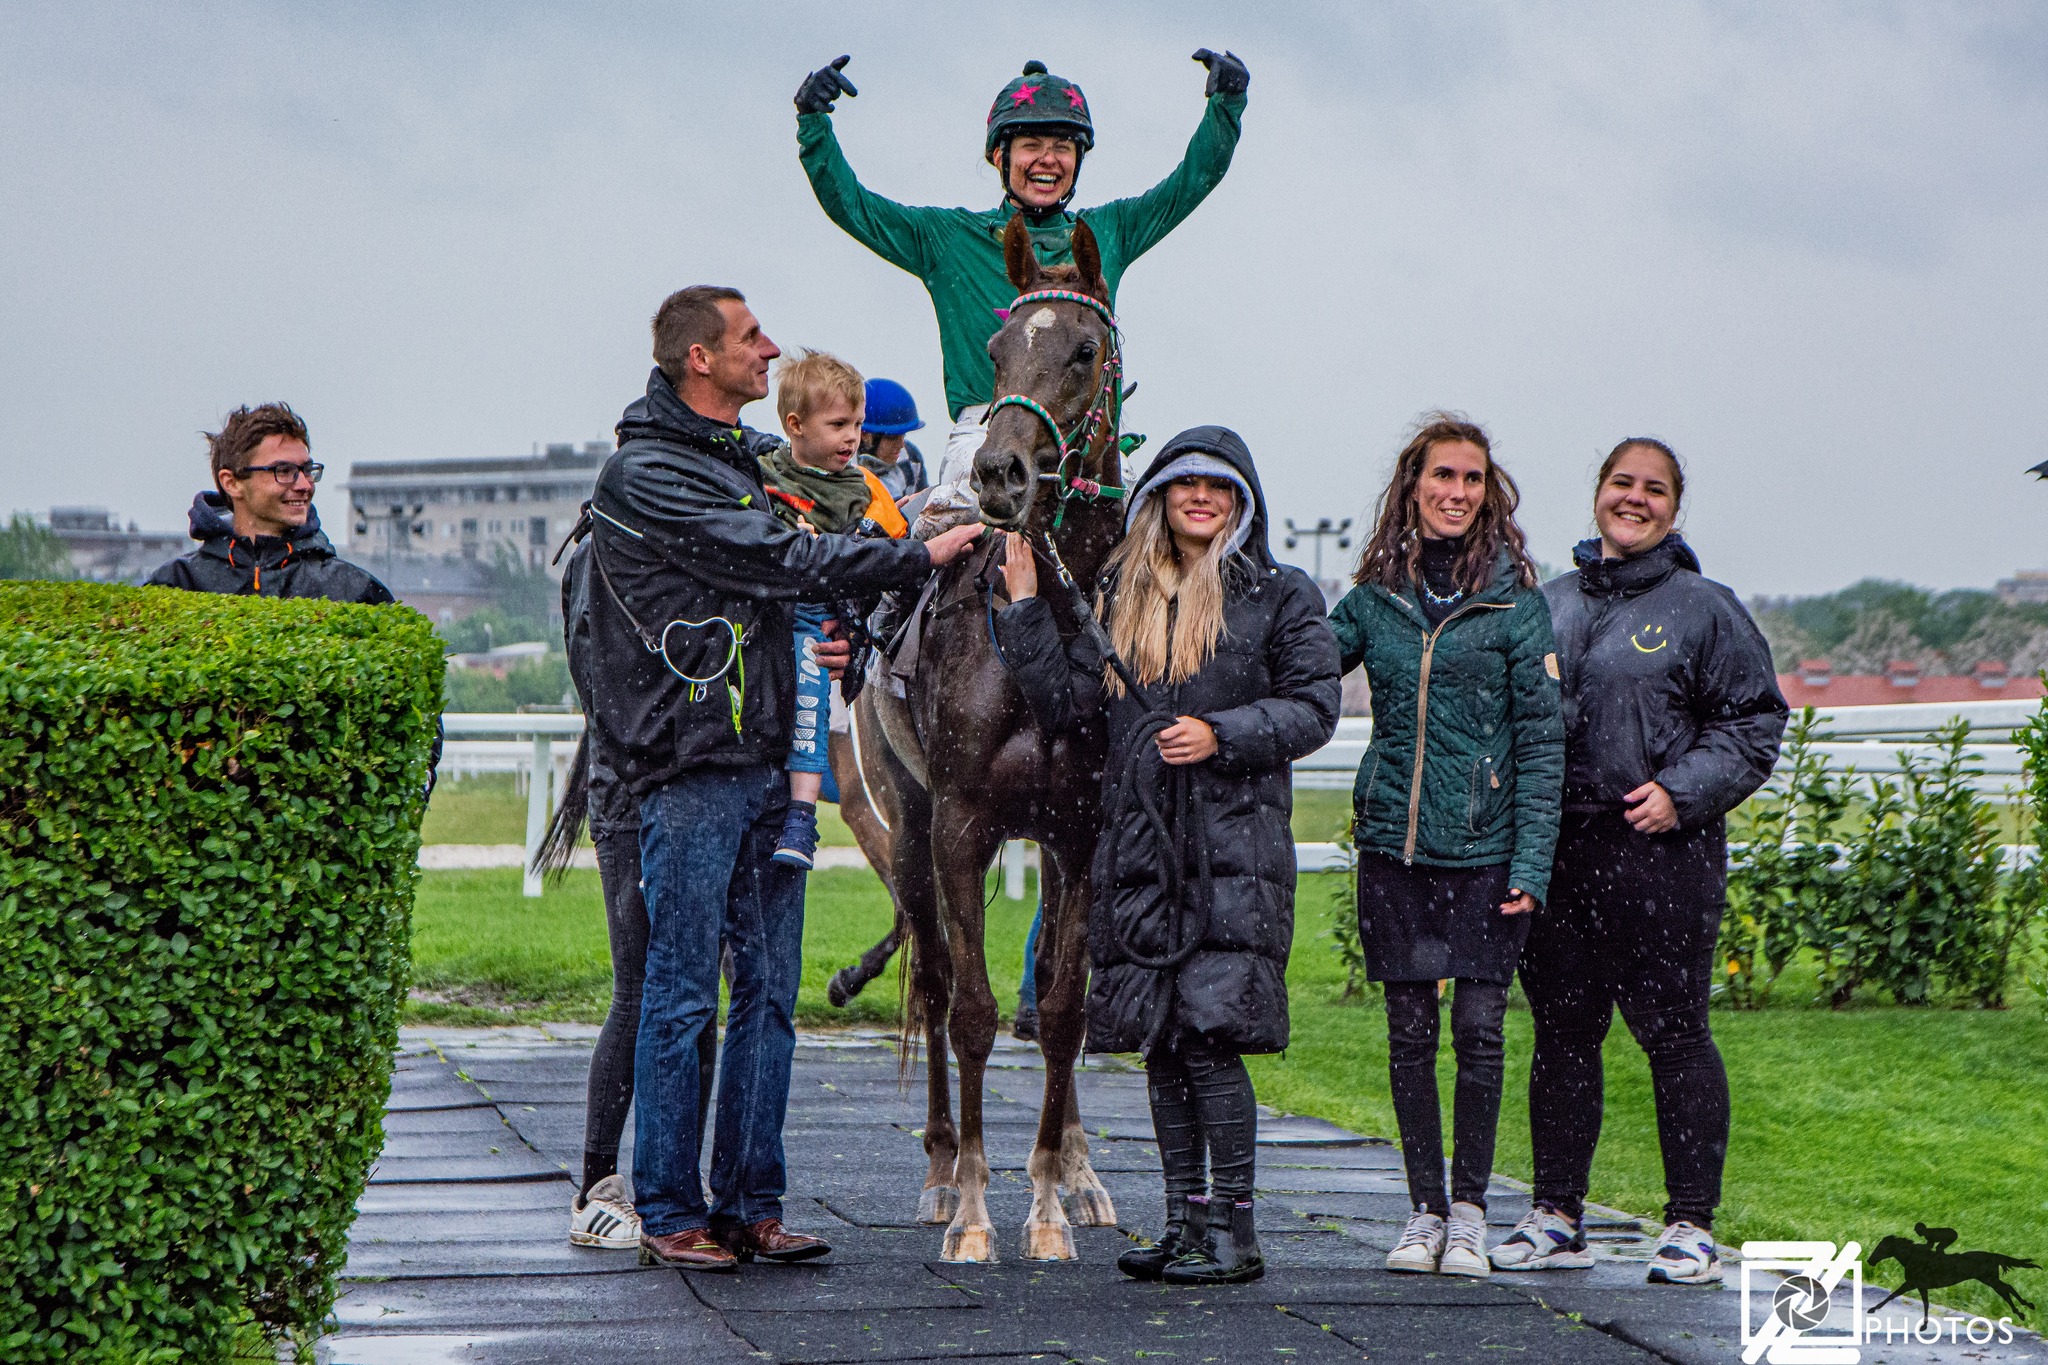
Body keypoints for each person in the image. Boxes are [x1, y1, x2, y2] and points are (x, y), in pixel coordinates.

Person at [571, 285, 984, 1272]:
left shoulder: (737, 463)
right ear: (698, 361)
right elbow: (775, 556)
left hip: (766, 766)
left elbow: (779, 583)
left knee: (769, 995)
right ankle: (669, 1211)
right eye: (750, 338)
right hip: (689, 769)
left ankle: (753, 1204)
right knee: (680, 997)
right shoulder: (650, 473)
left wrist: (836, 646)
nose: (769, 350)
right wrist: (911, 555)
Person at [993, 427, 1341, 1286]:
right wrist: (1030, 611)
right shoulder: (1118, 594)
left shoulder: (1280, 595)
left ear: (1241, 502)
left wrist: (1221, 734)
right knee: (1160, 1041)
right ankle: (1186, 1223)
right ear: (1158, 496)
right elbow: (1074, 703)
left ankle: (1235, 1230)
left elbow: (1313, 707)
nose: (1200, 497)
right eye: (1184, 483)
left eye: (1218, 488)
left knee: (1210, 1037)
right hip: (1140, 848)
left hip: (1232, 849)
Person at [1490, 439, 1785, 1285]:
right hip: (1561, 855)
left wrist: (1682, 792)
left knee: (1676, 1034)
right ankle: (1556, 1214)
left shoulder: (1705, 609)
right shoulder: (1543, 605)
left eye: (1654, 489)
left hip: (1660, 853)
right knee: (1563, 1034)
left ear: (1674, 508)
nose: (1636, 499)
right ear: (1597, 495)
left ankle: (1690, 1223)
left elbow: (1754, 721)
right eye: (1622, 483)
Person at [1326, 413, 1564, 1279]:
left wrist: (1532, 865)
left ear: (1487, 492)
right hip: (1394, 847)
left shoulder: (1515, 604)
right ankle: (1422, 1208)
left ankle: (1469, 1211)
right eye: (1442, 477)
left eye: (1471, 479)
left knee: (1479, 1029)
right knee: (1407, 1032)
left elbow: (1543, 747)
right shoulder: (1374, 599)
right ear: (1413, 485)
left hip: (1489, 852)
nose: (1456, 493)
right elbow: (1305, 665)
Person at [794, 49, 1250, 496]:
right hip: (985, 430)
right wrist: (815, 125)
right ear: (1000, 156)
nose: (1047, 160)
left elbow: (1192, 181)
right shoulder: (946, 237)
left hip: (1086, 437)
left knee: (1152, 528)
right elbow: (853, 206)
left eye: (1062, 147)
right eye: (1031, 146)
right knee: (941, 532)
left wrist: (1226, 106)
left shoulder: (1109, 230)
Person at [757, 350, 908, 869]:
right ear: (795, 426)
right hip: (763, 626)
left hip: (824, 629)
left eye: (860, 425)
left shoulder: (869, 490)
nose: (853, 438)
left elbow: (898, 557)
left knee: (811, 686)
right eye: (841, 425)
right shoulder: (760, 475)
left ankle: (801, 815)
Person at [148, 402, 393, 604]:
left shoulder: (355, 591)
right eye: (283, 470)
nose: (304, 485)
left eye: (307, 470)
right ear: (231, 482)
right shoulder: (177, 584)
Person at [856, 377, 929, 503]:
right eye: (892, 437)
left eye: (903, 435)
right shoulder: (845, 467)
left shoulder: (911, 459)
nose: (901, 445)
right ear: (864, 434)